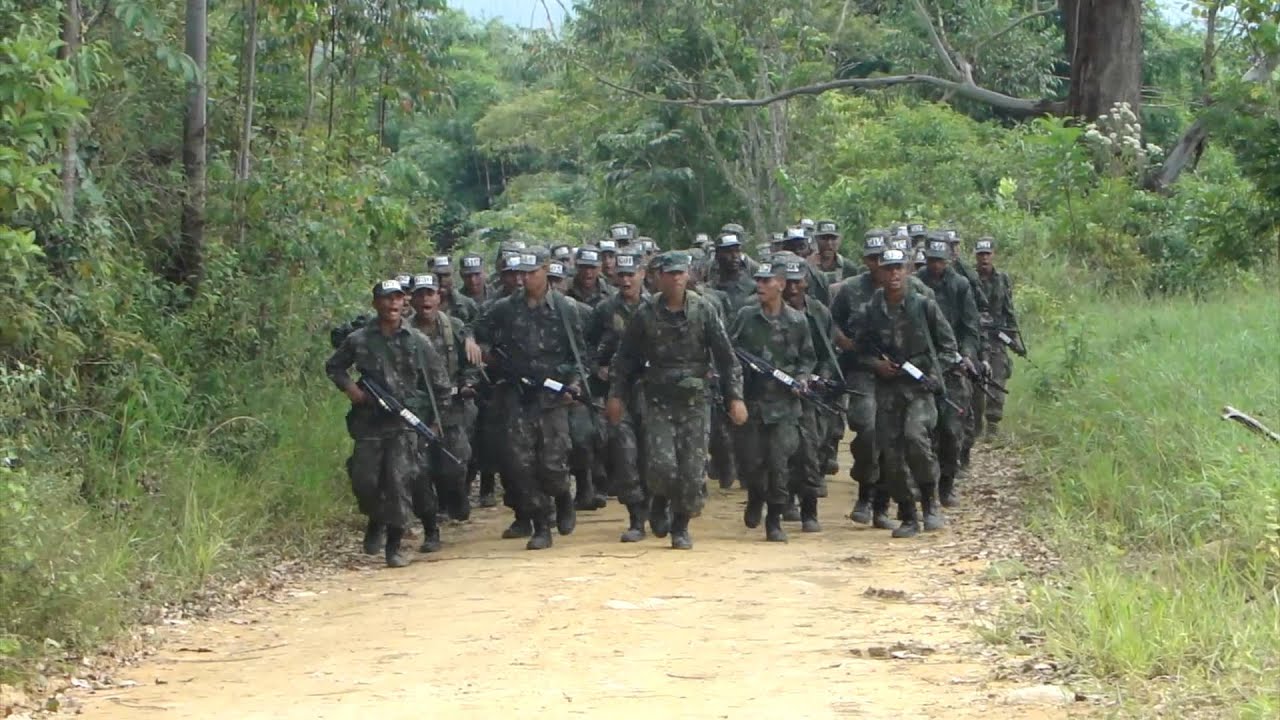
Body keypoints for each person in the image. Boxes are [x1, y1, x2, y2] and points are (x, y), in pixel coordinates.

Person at [607, 251, 747, 550]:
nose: (676, 278)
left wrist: (735, 397)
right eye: (669, 273)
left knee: (693, 471)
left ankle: (681, 525)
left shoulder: (704, 310)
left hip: (695, 401)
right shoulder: (645, 314)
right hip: (658, 399)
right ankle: (659, 499)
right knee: (661, 465)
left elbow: (727, 359)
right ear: (657, 277)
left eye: (681, 273)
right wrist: (616, 395)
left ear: (689, 275)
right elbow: (625, 360)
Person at [325, 279, 453, 567]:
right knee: (364, 480)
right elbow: (334, 366)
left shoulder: (418, 341)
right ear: (375, 303)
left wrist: (434, 424)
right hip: (369, 423)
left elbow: (441, 387)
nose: (393, 304)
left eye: (397, 298)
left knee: (399, 482)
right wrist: (353, 390)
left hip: (404, 424)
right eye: (387, 298)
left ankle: (394, 546)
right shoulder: (358, 339)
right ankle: (377, 518)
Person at [473, 248, 590, 550]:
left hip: (552, 397)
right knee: (520, 464)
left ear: (546, 270)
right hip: (517, 396)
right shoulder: (505, 308)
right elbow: (475, 328)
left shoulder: (566, 308)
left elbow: (580, 355)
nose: (524, 279)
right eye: (520, 274)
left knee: (553, 463)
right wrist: (476, 346)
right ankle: (541, 523)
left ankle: (563, 495)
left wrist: (573, 386)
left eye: (531, 273)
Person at [853, 248, 959, 538]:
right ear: (880, 272)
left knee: (916, 439)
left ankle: (930, 504)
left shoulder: (924, 306)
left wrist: (935, 376)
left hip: (920, 389)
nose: (894, 274)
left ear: (908, 270)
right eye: (888, 268)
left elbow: (949, 349)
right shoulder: (870, 311)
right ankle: (908, 514)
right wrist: (877, 364)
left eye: (899, 268)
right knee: (892, 455)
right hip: (888, 392)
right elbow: (857, 352)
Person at [730, 257, 816, 542]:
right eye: (758, 280)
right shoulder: (745, 316)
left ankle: (775, 519)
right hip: (753, 403)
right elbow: (729, 351)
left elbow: (808, 358)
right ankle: (755, 496)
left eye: (766, 281)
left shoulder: (797, 321)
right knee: (752, 463)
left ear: (780, 284)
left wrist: (801, 380)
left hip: (784, 406)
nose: (760, 286)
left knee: (779, 463)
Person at [407, 274, 478, 544]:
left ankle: (456, 495)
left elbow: (470, 365)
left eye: (431, 293)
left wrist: (468, 383)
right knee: (419, 472)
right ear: (412, 299)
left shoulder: (455, 327)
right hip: (417, 413)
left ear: (439, 297)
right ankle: (430, 528)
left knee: (455, 464)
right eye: (420, 294)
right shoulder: (404, 332)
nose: (426, 299)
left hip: (451, 409)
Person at [586, 250, 650, 540]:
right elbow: (584, 346)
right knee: (625, 455)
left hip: (654, 392)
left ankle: (659, 507)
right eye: (620, 275)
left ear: (642, 274)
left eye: (631, 274)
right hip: (618, 392)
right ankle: (636, 517)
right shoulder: (603, 310)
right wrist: (596, 368)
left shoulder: (657, 306)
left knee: (655, 454)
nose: (625, 280)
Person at [917, 238, 982, 507]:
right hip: (922, 364)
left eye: (940, 260)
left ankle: (947, 484)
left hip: (953, 365)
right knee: (921, 430)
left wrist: (966, 356)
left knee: (952, 429)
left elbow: (970, 327)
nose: (935, 265)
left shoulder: (961, 285)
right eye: (931, 260)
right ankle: (923, 486)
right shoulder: (916, 283)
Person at [781, 254, 839, 532]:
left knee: (809, 449)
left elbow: (828, 354)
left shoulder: (819, 312)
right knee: (780, 451)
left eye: (798, 282)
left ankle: (809, 509)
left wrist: (822, 377)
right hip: (776, 392)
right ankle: (783, 501)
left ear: (807, 282)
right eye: (788, 282)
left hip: (811, 392)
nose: (793, 289)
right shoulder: (769, 311)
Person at [973, 236, 1021, 437]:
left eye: (988, 254)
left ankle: (992, 425)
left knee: (998, 378)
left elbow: (1008, 309)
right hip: (975, 337)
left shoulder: (1002, 279)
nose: (984, 258)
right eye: (981, 254)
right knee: (974, 381)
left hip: (997, 336)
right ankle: (974, 425)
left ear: (994, 255)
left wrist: (1014, 337)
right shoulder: (969, 279)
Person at [780, 227, 832, 306]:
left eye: (801, 247)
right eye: (791, 247)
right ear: (783, 249)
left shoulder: (819, 278)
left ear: (809, 250)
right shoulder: (774, 278)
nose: (797, 251)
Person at [432, 256, 479, 324]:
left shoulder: (467, 304)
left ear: (453, 276)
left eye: (446, 275)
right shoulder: (421, 304)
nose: (442, 280)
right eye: (437, 275)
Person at [810, 220, 859, 284]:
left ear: (840, 240)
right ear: (816, 239)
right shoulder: (807, 266)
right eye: (824, 238)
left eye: (833, 239)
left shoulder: (849, 268)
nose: (829, 243)